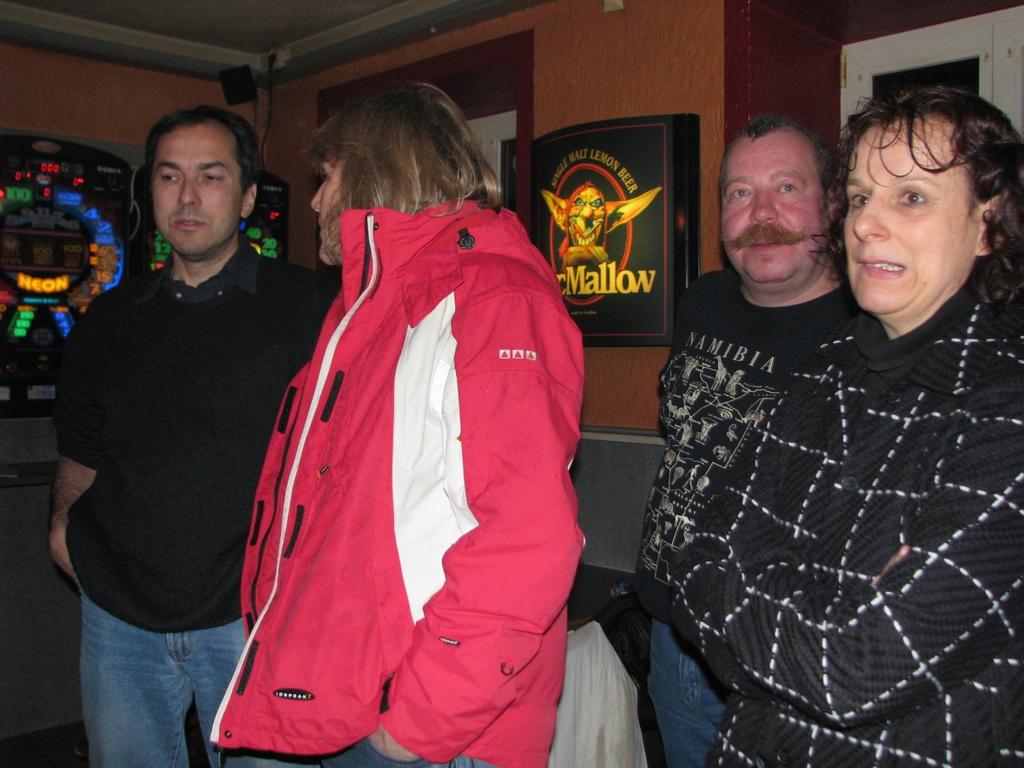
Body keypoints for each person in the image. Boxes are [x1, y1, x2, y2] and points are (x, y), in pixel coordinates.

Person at [211, 84, 585, 768]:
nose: (316, 202)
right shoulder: (373, 304)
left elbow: (527, 538)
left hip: (426, 727)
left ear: (375, 169)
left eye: (327, 178)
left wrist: (416, 723)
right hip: (348, 696)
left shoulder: (492, 295)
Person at [670, 85, 1024, 766]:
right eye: (860, 198)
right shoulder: (827, 367)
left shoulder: (1005, 401)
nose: (865, 226)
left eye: (911, 197)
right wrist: (841, 595)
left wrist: (761, 585)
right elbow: (693, 559)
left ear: (991, 226)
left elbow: (854, 668)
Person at [48, 105, 336, 768]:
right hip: (118, 619)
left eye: (210, 176)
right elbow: (80, 449)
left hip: (255, 619)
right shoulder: (108, 319)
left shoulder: (314, 311)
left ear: (247, 197)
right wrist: (62, 528)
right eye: (169, 176)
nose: (187, 196)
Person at [634, 115, 856, 767]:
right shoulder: (703, 300)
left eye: (786, 187)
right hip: (674, 637)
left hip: (783, 664)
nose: (761, 214)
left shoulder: (867, 330)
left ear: (832, 204)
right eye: (739, 192)